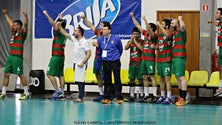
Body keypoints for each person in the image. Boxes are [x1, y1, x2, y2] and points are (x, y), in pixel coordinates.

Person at [0, 9, 30, 100]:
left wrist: (26, 17)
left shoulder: (22, 34)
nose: (13, 26)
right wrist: (5, 14)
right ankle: (3, 92)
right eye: (14, 24)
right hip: (10, 57)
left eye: (16, 25)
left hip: (17, 58)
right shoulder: (13, 33)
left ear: (19, 26)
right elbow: (9, 22)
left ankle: (26, 93)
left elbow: (26, 25)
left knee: (20, 74)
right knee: (6, 74)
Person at [59, 24, 91, 102]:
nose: (74, 32)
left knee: (80, 80)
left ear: (80, 33)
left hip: (81, 64)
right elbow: (64, 33)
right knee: (77, 80)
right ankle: (81, 93)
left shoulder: (84, 42)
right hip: (75, 63)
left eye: (75, 31)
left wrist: (83, 62)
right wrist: (59, 25)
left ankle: (80, 96)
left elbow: (89, 53)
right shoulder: (74, 39)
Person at [130, 12, 158, 103]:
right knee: (144, 77)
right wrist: (133, 17)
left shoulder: (154, 36)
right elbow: (137, 25)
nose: (146, 28)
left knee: (152, 76)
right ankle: (146, 95)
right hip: (144, 59)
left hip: (150, 60)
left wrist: (145, 19)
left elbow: (150, 30)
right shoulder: (145, 34)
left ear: (152, 29)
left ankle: (154, 95)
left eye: (149, 26)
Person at [97, 21, 124, 104]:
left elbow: (120, 49)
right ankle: (106, 97)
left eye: (105, 29)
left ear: (109, 30)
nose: (103, 31)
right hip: (106, 61)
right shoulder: (100, 39)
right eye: (102, 29)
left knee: (117, 79)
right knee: (107, 79)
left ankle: (119, 97)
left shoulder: (116, 38)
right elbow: (101, 50)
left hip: (115, 61)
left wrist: (116, 57)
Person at [43, 10, 67, 100]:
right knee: (60, 75)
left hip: (56, 56)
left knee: (49, 74)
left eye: (58, 24)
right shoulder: (63, 31)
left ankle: (57, 91)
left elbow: (53, 23)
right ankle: (62, 93)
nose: (55, 25)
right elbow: (60, 24)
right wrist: (61, 19)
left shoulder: (60, 31)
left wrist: (46, 14)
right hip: (61, 56)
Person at [80, 15, 105, 101]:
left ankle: (107, 94)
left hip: (104, 59)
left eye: (102, 25)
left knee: (103, 76)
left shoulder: (107, 36)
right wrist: (84, 19)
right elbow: (91, 26)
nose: (100, 27)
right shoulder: (98, 32)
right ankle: (101, 93)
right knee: (97, 75)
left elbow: (107, 46)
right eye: (100, 25)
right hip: (97, 57)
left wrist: (97, 45)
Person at [171, 16, 188, 106]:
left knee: (181, 77)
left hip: (180, 56)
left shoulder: (181, 31)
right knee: (178, 77)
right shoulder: (174, 33)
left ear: (177, 24)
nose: (171, 25)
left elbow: (183, 27)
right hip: (174, 57)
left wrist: (180, 19)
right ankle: (181, 97)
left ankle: (184, 98)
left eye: (173, 23)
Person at [155, 19, 173, 104]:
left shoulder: (169, 32)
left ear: (166, 26)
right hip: (160, 60)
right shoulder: (160, 36)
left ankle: (169, 97)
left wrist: (160, 25)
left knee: (167, 79)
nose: (160, 25)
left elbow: (168, 36)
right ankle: (162, 96)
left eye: (163, 24)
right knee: (161, 79)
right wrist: (154, 47)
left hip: (167, 59)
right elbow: (159, 46)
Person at [124, 27, 144, 102]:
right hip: (132, 64)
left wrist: (135, 42)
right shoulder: (131, 41)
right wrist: (130, 41)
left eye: (136, 34)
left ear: (139, 34)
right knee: (131, 79)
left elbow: (142, 49)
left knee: (140, 79)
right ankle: (131, 96)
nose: (135, 35)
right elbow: (125, 48)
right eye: (134, 34)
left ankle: (142, 95)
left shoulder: (142, 41)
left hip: (139, 63)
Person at [208, 8, 222, 96]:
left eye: (217, 13)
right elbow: (218, 24)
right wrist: (211, 22)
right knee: (220, 67)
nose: (215, 14)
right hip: (220, 48)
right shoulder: (220, 24)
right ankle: (221, 87)